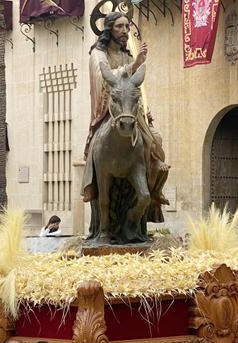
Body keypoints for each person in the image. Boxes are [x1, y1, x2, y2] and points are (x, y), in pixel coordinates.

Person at [83, 11, 169, 231]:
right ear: (109, 29)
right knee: (97, 145)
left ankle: (155, 189)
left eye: (126, 27)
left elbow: (134, 86)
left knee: (155, 140)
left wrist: (142, 109)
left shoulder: (127, 55)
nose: (124, 31)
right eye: (120, 26)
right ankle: (92, 186)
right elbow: (104, 77)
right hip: (109, 111)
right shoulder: (98, 53)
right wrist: (135, 64)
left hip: (130, 109)